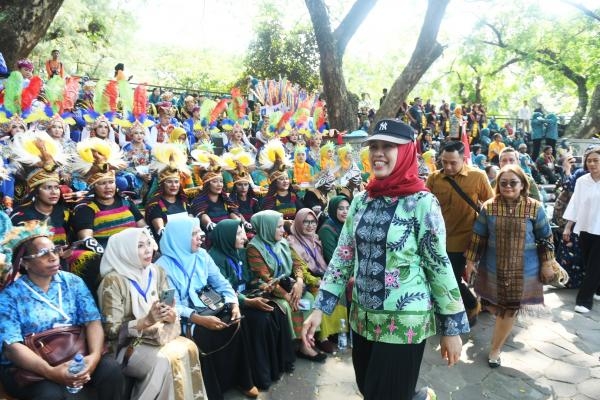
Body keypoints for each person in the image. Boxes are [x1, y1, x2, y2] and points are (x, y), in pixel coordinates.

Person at [302, 119, 468, 400]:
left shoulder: (422, 202)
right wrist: (320, 308)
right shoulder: (361, 200)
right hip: (363, 319)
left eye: (388, 146)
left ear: (405, 152)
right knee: (369, 389)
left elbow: (438, 265)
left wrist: (451, 328)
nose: (378, 153)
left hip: (404, 322)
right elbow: (343, 256)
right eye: (374, 146)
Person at [0, 221, 124, 400]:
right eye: (43, 253)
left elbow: (92, 321)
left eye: (54, 250)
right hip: (32, 366)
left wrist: (94, 357)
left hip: (75, 353)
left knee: (110, 370)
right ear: (25, 263)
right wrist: (50, 372)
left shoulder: (72, 281)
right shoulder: (10, 296)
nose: (53, 257)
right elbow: (12, 347)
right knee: (50, 393)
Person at [155, 216, 258, 400]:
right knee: (204, 334)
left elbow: (222, 283)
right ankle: (213, 391)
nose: (199, 237)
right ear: (179, 237)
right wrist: (199, 319)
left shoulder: (202, 255)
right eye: (193, 234)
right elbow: (169, 306)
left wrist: (234, 304)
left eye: (198, 233)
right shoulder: (161, 268)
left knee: (234, 321)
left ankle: (242, 380)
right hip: (187, 317)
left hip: (210, 304)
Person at [97, 228, 205, 399]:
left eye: (148, 243)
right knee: (163, 361)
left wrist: (170, 315)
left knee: (189, 347)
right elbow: (111, 331)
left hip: (157, 335)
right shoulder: (113, 281)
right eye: (139, 246)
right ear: (125, 251)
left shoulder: (156, 271)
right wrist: (145, 321)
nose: (148, 250)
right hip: (126, 345)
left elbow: (168, 306)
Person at [465, 165, 555, 368]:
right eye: (503, 183)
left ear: (523, 184)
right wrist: (470, 262)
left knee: (509, 310)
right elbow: (478, 238)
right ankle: (498, 337)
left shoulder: (535, 207)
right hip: (493, 268)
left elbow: (546, 238)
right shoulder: (489, 207)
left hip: (525, 271)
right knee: (496, 307)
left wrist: (547, 264)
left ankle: (495, 349)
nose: (508, 186)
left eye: (513, 182)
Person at [208, 220, 295, 389]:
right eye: (239, 234)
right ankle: (260, 376)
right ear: (226, 237)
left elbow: (248, 280)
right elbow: (218, 291)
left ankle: (279, 365)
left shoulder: (239, 253)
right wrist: (245, 301)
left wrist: (262, 286)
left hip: (246, 296)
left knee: (276, 310)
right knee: (261, 320)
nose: (244, 238)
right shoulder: (215, 258)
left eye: (243, 233)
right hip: (228, 303)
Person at [426, 140, 494, 325]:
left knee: (452, 279)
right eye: (444, 162)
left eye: (453, 163)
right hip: (437, 240)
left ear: (463, 159)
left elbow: (491, 205)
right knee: (439, 279)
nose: (447, 167)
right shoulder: (433, 178)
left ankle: (471, 305)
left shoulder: (478, 176)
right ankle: (452, 311)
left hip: (465, 240)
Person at [247, 210, 326, 362]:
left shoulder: (282, 242)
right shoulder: (254, 248)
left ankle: (305, 343)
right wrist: (287, 295)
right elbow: (265, 277)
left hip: (288, 284)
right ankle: (293, 345)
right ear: (267, 227)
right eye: (279, 227)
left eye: (283, 226)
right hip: (267, 289)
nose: (283, 231)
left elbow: (297, 263)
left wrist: (299, 281)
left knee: (308, 297)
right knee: (288, 305)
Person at [287, 209, 347, 353]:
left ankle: (337, 330)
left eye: (313, 221)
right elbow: (300, 269)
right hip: (305, 281)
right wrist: (317, 281)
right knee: (321, 292)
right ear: (298, 223)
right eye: (305, 222)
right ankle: (323, 336)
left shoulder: (315, 239)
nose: (310, 225)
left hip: (321, 276)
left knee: (339, 290)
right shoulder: (292, 242)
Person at [563, 146, 600, 313]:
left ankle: (584, 301)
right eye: (589, 161)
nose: (592, 163)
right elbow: (575, 205)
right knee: (589, 263)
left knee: (594, 266)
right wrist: (568, 227)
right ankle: (598, 290)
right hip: (585, 228)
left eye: (596, 160)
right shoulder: (582, 181)